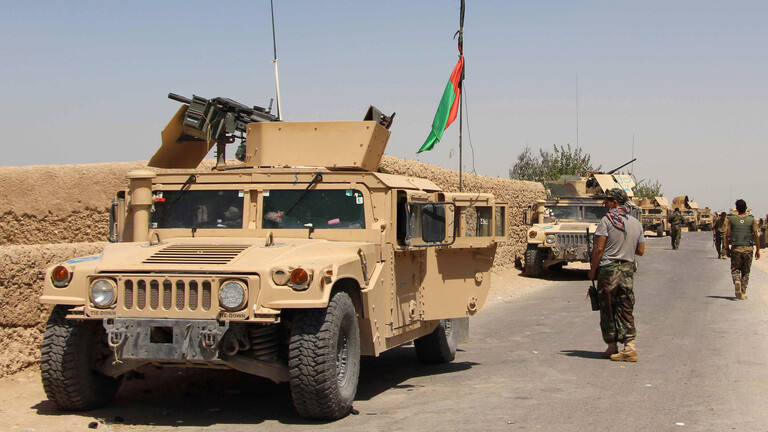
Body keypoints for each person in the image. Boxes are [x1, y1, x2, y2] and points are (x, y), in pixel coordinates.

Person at [588, 188, 645, 362]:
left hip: (609, 270)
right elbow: (640, 251)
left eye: (608, 200)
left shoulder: (607, 220)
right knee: (625, 307)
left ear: (615, 202)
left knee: (607, 308)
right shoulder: (636, 223)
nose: (605, 204)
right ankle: (629, 347)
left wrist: (592, 270)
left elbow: (599, 248)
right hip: (627, 270)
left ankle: (612, 346)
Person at [724, 199, 760, 300]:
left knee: (735, 269)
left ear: (736, 209)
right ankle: (743, 292)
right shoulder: (752, 220)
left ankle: (737, 280)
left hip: (736, 249)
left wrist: (727, 248)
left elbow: (727, 235)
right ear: (746, 208)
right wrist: (758, 250)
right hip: (748, 249)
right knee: (746, 271)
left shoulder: (731, 219)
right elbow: (756, 236)